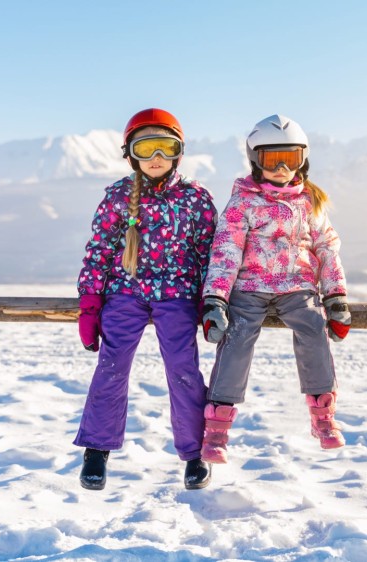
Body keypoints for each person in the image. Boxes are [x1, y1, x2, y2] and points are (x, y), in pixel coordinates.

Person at [74, 108, 216, 491]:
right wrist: (90, 303)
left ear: (179, 152)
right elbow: (100, 250)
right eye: (146, 147)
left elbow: (209, 255)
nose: (156, 157)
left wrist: (210, 302)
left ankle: (194, 454)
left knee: (183, 371)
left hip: (178, 296)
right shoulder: (119, 196)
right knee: (112, 364)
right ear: (130, 153)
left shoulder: (196, 199)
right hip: (127, 292)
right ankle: (96, 449)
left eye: (165, 147)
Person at [198, 114, 352, 465]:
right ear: (255, 161)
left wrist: (335, 296)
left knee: (314, 327)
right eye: (271, 159)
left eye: (291, 158)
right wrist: (215, 300)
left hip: (297, 286)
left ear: (304, 159)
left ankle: (323, 416)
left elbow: (326, 247)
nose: (282, 168)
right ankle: (218, 427)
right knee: (236, 337)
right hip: (249, 285)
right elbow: (226, 250)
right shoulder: (243, 202)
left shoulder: (308, 202)